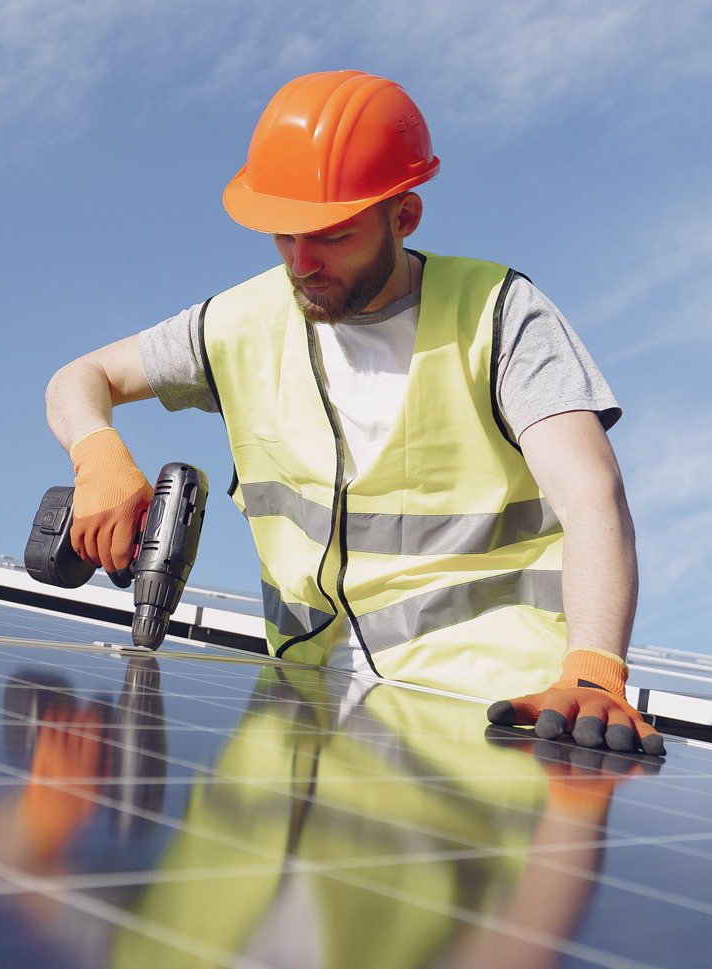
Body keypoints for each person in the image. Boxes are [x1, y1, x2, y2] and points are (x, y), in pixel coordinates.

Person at [43, 70, 662, 753]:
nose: (301, 263)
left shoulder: (499, 313)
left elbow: (591, 494)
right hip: (298, 722)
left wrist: (596, 673)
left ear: (403, 217)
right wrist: (97, 454)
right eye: (283, 234)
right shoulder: (241, 322)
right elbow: (82, 376)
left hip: (487, 719)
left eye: (331, 235)